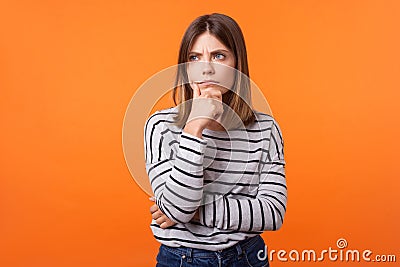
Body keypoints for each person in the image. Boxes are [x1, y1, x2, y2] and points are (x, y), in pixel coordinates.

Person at [144, 13, 286, 267]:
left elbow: (273, 213)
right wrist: (194, 127)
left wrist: (196, 211)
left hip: (247, 258)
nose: (206, 68)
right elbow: (177, 210)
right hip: (180, 259)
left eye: (219, 56)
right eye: (194, 58)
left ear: (237, 64)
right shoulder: (160, 126)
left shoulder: (266, 128)